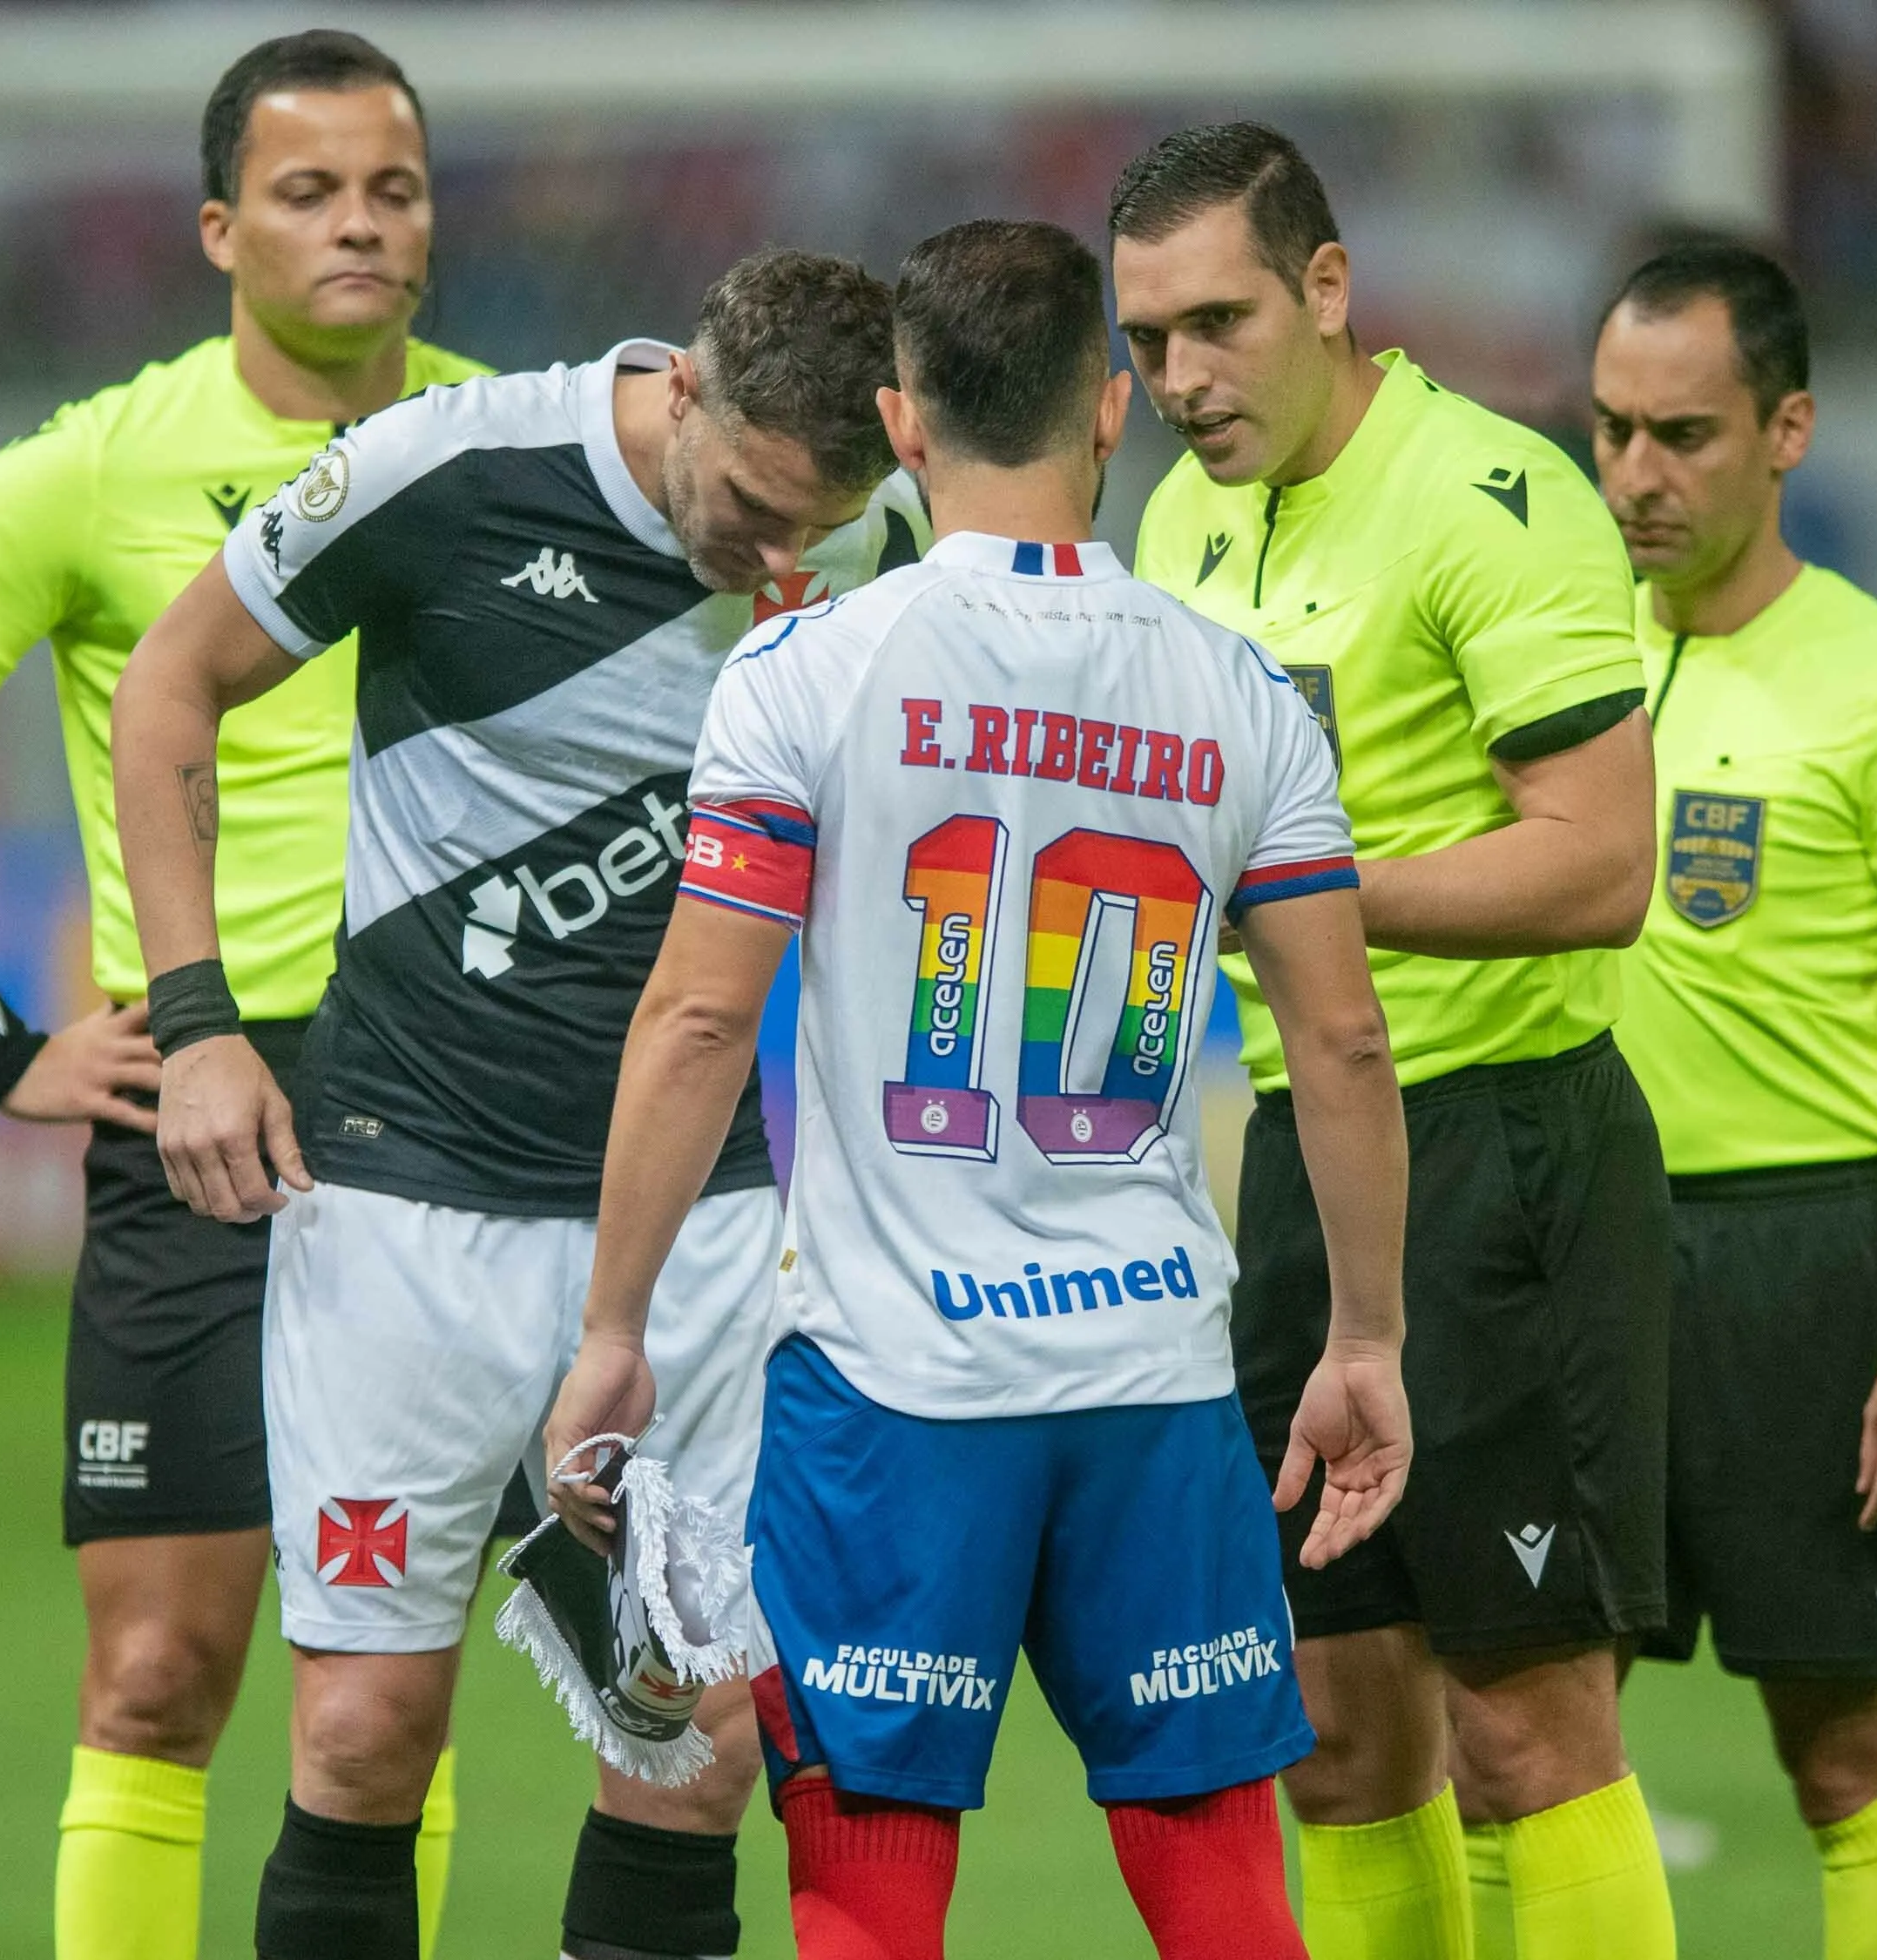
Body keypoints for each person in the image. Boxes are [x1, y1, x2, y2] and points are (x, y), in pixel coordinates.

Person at [538, 214, 1414, 1960]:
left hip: (892, 1382)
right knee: (1219, 1877)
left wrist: (613, 1328)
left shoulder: (803, 670)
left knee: (866, 1874)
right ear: (1110, 409)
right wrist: (1365, 1339)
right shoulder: (1241, 695)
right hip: (1154, 1370)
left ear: (900, 423)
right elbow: (1341, 1044)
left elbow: (698, 1022)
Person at [0, 33, 487, 1958]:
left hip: (466, 1103)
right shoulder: (96, 466)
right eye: (310, 192)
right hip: (209, 1097)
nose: (359, 224)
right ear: (219, 230)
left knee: (386, 1686)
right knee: (158, 1672)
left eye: (393, 189)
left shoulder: (518, 443)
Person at [110, 248, 923, 1960]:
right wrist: (193, 1026)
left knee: (694, 1748)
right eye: (752, 507)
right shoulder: (445, 468)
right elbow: (169, 678)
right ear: (683, 387)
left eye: (816, 526)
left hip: (705, 1214)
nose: (779, 561)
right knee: (361, 1732)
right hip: (408, 1194)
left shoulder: (889, 536)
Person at [1113, 122, 1677, 1959]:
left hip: (1504, 1150)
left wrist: (1312, 899)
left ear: (1328, 289)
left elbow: (1601, 863)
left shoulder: (1491, 499)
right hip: (1299, 1148)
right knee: (1340, 1738)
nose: (1180, 378)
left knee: (1525, 1726)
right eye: (1146, 341)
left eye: (1217, 323)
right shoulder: (1179, 521)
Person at [1591, 240, 1877, 1960]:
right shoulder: (1555, 657)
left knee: (1845, 1754)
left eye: (1683, 434)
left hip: (1801, 1257)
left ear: (1786, 432)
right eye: (1612, 429)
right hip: (1578, 1242)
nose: (1637, 473)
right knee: (1516, 1736)